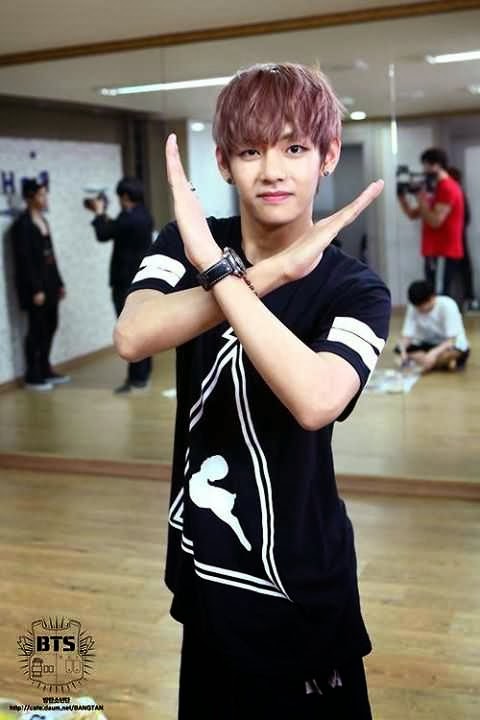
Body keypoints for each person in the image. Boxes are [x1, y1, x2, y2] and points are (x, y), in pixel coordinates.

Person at [115, 63, 391, 719]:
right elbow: (133, 335)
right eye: (250, 151)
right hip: (206, 570)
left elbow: (316, 399)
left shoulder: (356, 289)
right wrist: (263, 274)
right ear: (224, 162)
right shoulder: (185, 242)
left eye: (294, 148)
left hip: (301, 578)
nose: (272, 171)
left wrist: (220, 273)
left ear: (327, 155)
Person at [88, 176, 154, 393]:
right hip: (140, 279)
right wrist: (103, 215)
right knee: (142, 328)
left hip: (125, 282)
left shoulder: (128, 219)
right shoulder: (143, 215)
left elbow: (103, 234)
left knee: (130, 330)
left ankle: (137, 379)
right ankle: (143, 375)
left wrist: (99, 212)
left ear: (125, 196)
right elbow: (117, 228)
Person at [10, 178, 69, 391]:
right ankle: (32, 375)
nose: (45, 198)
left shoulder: (44, 220)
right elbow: (24, 261)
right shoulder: (22, 226)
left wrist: (59, 283)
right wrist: (36, 289)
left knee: (51, 325)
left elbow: (51, 256)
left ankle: (45, 368)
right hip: (35, 288)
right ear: (30, 197)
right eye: (41, 195)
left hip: (50, 282)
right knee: (36, 329)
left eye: (45, 194)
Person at [398, 148, 464, 297]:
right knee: (432, 293)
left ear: (437, 165)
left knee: (439, 296)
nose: (424, 170)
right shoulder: (435, 188)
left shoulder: (448, 187)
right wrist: (402, 198)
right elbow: (413, 214)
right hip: (434, 250)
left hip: (444, 250)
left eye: (426, 166)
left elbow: (435, 221)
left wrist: (420, 198)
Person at [397, 280, 470, 372]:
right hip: (427, 344)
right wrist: (403, 351)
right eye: (417, 307)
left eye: (422, 307)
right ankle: (442, 363)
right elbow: (407, 336)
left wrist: (432, 353)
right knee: (399, 349)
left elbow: (451, 340)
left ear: (432, 298)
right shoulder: (414, 307)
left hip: (449, 345)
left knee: (454, 352)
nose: (419, 310)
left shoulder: (448, 305)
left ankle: (423, 361)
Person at [448, 166, 479, 312]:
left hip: (455, 238)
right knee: (463, 270)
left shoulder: (455, 193)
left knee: (461, 270)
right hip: (457, 237)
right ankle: (468, 300)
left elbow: (466, 218)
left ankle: (469, 300)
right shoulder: (459, 193)